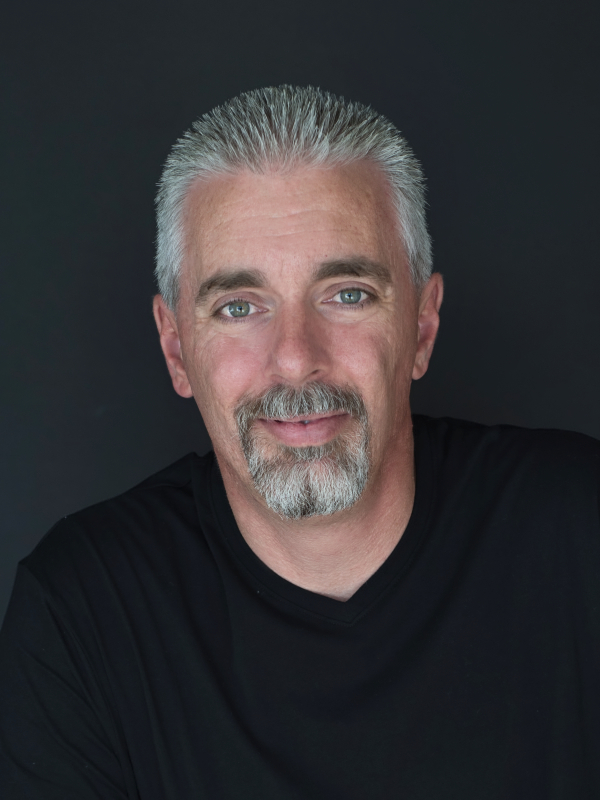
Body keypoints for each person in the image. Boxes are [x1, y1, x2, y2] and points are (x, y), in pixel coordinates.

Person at [1, 86, 599, 799]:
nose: (294, 358)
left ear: (422, 326)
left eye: (347, 293)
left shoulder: (580, 531)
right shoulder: (84, 611)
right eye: (239, 307)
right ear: (175, 347)